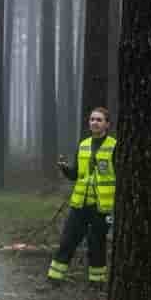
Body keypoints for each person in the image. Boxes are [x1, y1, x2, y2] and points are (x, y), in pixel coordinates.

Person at [47, 108, 116, 287]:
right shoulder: (83, 144)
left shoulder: (115, 146)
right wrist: (65, 168)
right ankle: (54, 278)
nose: (94, 122)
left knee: (96, 243)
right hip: (79, 204)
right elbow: (77, 174)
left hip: (102, 206)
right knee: (68, 240)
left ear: (107, 124)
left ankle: (96, 282)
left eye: (99, 120)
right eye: (92, 119)